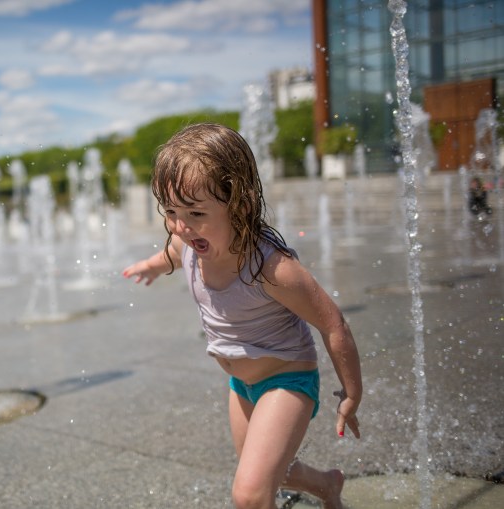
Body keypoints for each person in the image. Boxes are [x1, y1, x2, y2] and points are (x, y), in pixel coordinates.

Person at [122, 123, 362, 509]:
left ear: (240, 206)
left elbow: (333, 324)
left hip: (287, 380)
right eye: (171, 212)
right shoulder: (188, 242)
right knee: (274, 471)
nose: (181, 226)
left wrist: (352, 393)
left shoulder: (270, 268)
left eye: (196, 212)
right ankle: (327, 485)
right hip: (241, 386)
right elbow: (173, 253)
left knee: (249, 494)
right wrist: (152, 265)